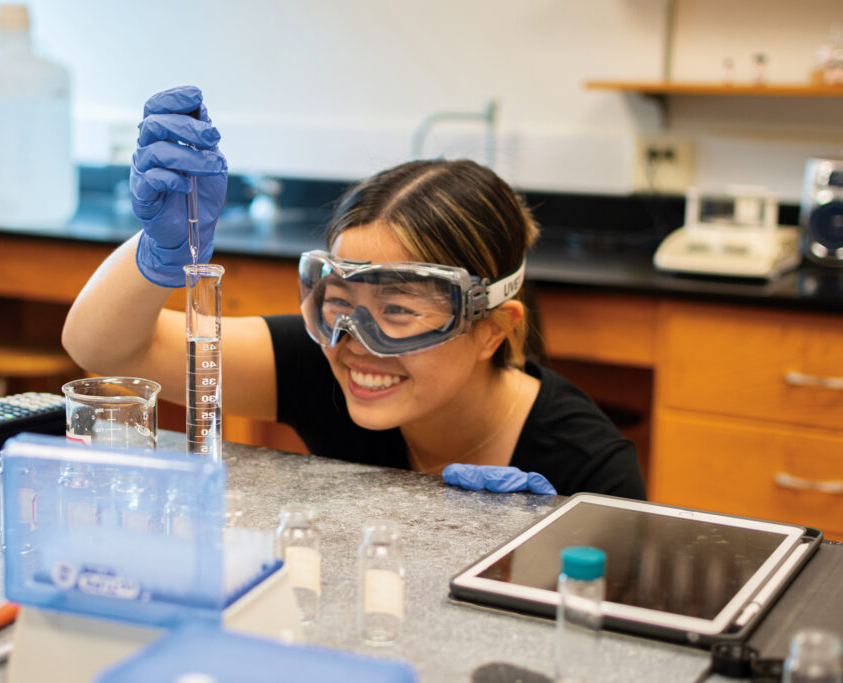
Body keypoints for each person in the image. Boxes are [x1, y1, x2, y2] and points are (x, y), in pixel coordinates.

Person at [61, 86, 647, 500]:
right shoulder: (325, 366)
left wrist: (529, 553)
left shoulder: (587, 469)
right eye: (338, 303)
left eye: (396, 309)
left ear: (492, 328)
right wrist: (157, 253)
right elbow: (109, 349)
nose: (357, 342)